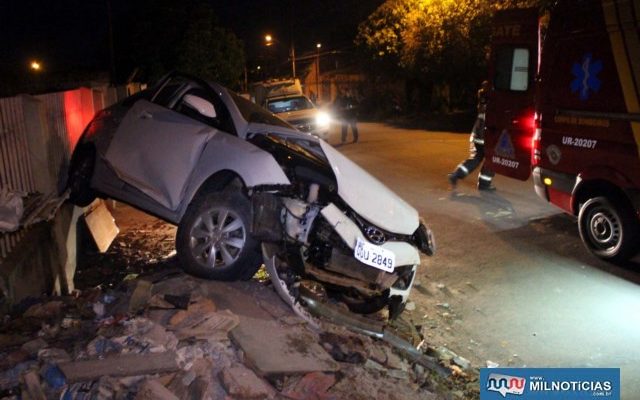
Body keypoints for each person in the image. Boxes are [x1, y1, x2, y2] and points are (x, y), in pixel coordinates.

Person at [448, 80, 495, 191]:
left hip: (477, 134)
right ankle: (484, 184)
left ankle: (456, 175)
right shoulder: (493, 102)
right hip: (487, 135)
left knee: (476, 157)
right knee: (491, 159)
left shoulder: (482, 99)